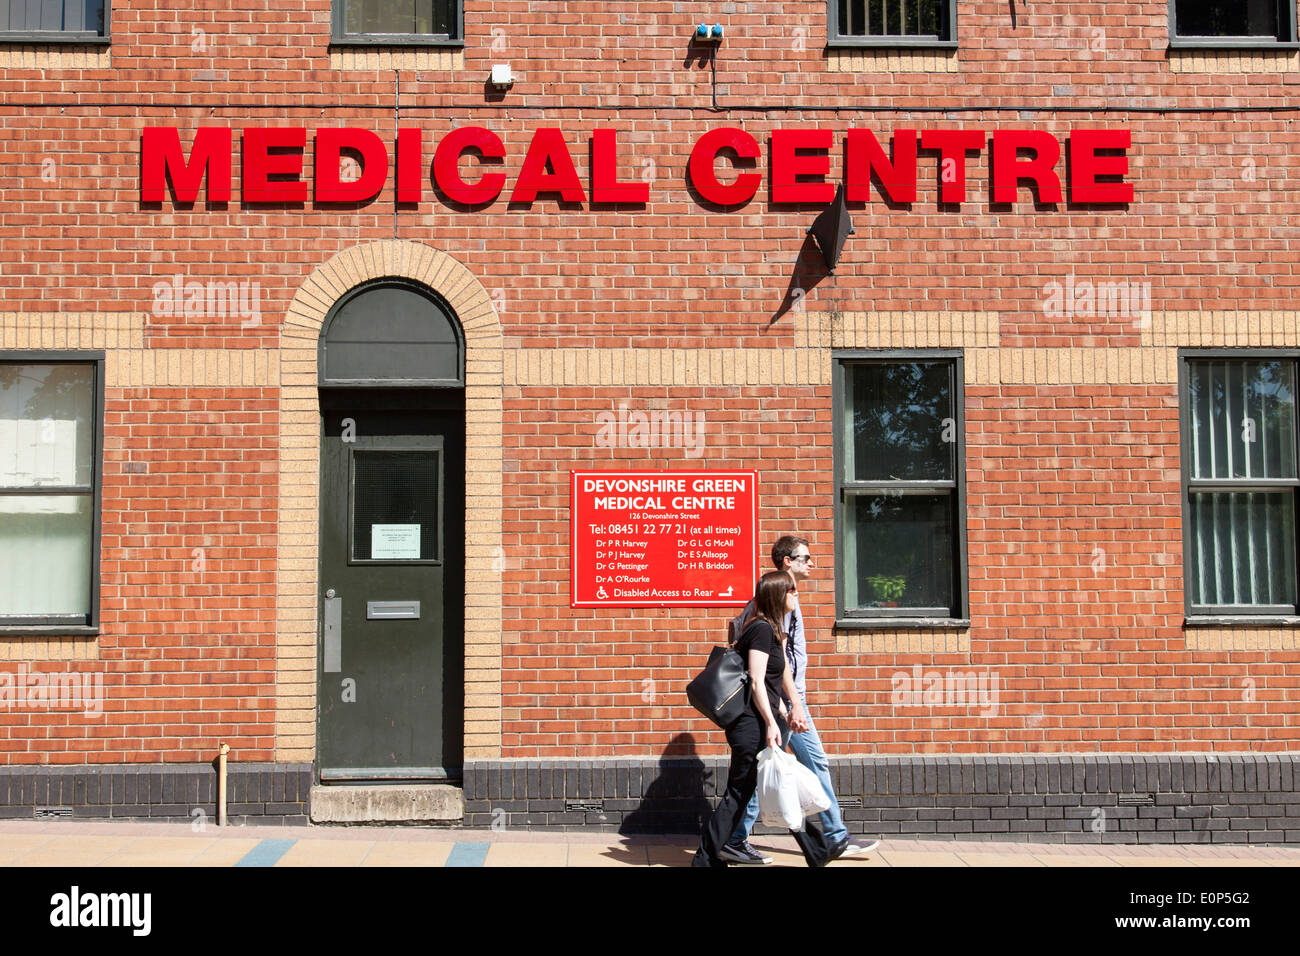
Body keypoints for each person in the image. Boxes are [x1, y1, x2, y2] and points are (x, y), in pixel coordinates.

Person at [721, 535, 880, 865]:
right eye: (804, 558)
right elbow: (778, 658)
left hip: (790, 697)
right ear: (786, 562)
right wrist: (790, 703)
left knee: (781, 764)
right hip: (785, 699)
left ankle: (831, 836)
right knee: (770, 766)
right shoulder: (778, 599)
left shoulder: (785, 596)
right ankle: (739, 837)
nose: (812, 563)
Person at [692, 571, 836, 868]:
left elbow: (777, 677)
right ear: (777, 595)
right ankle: (705, 859)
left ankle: (816, 850)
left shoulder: (775, 629)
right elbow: (756, 681)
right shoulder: (760, 630)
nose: (797, 595)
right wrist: (771, 722)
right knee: (739, 794)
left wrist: (789, 709)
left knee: (770, 788)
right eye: (791, 590)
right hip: (752, 726)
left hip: (764, 722)